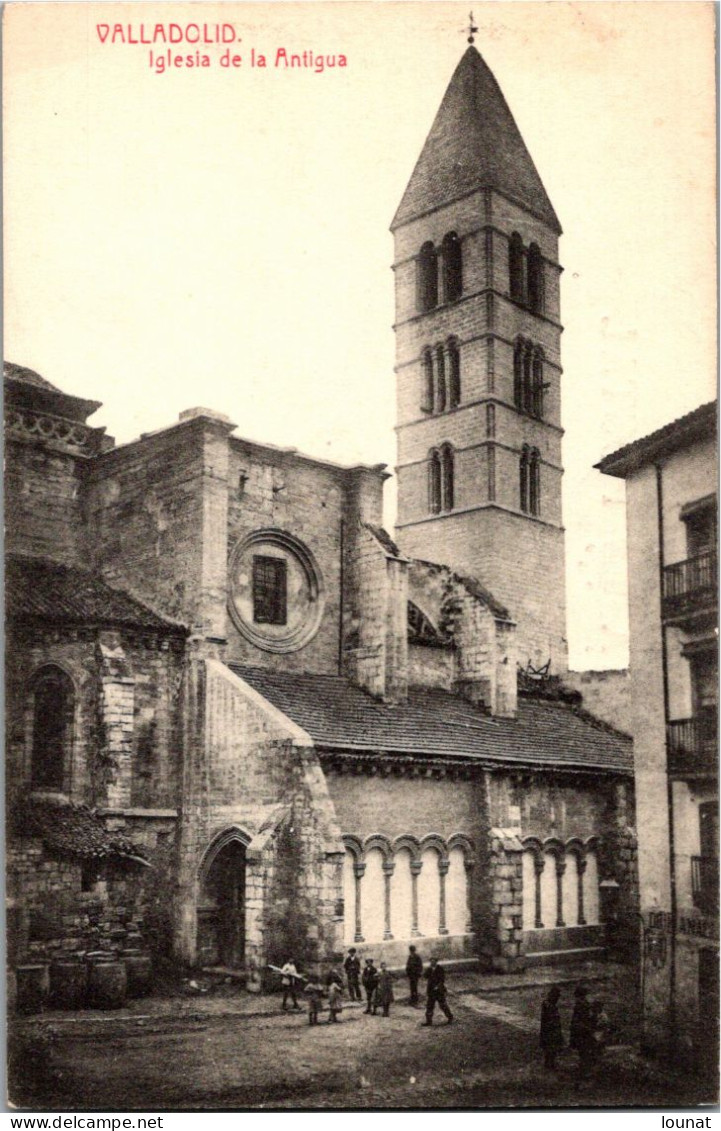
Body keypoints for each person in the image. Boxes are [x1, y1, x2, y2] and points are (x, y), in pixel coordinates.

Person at [569, 984, 594, 1086]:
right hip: (583, 1031)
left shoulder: (581, 1005)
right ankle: (585, 1071)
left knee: (584, 1052)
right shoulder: (584, 1005)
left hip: (581, 1031)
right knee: (584, 1051)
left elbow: (577, 1020)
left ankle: (585, 1071)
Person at [422, 957, 453, 1025]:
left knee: (443, 1005)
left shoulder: (440, 969)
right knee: (429, 1006)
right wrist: (428, 970)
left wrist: (438, 986)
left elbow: (442, 979)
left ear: (436, 962)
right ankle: (429, 1021)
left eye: (433, 961)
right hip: (431, 991)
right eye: (431, 961)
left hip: (439, 991)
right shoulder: (429, 969)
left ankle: (450, 1017)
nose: (432, 962)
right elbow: (425, 976)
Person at [539, 985, 564, 1071]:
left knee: (551, 1048)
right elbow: (550, 1019)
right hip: (550, 1030)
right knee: (551, 1048)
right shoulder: (549, 1005)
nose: (557, 999)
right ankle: (550, 1064)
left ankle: (549, 1063)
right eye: (556, 996)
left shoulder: (548, 1004)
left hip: (550, 1030)